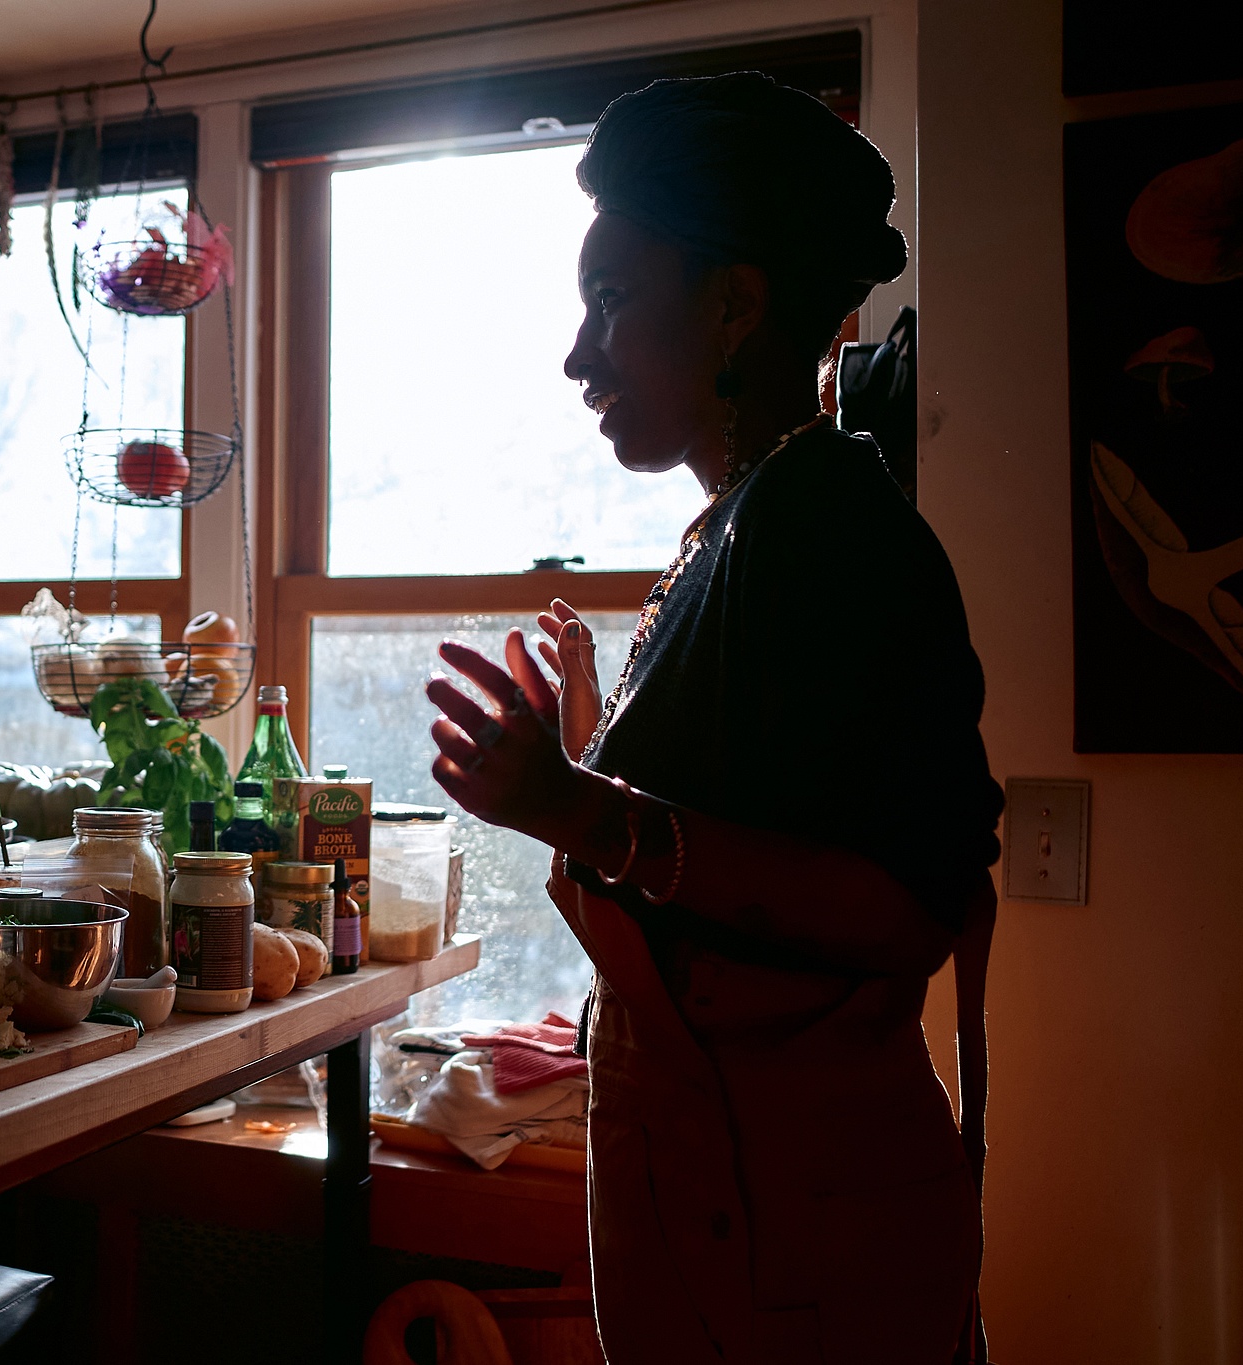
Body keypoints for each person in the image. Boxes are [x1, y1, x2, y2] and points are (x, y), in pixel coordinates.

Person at [425, 75, 1002, 1363]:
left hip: (795, 1219)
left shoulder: (827, 531)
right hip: (730, 1190)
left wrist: (572, 806)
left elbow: (907, 900)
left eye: (613, 303)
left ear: (733, 306)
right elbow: (742, 818)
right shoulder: (745, 526)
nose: (579, 358)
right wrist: (581, 757)